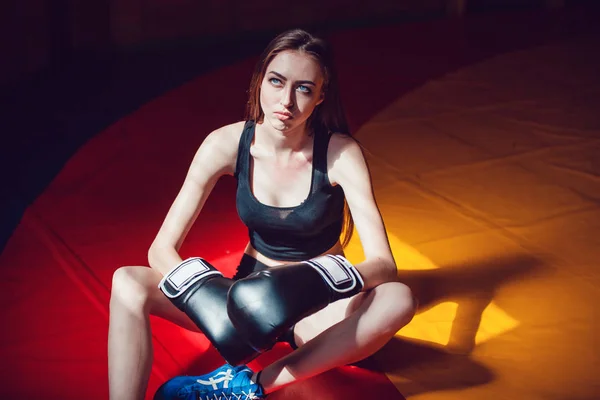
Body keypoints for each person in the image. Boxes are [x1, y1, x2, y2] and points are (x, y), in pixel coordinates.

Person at [108, 29, 416, 400]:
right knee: (127, 282)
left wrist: (313, 282)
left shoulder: (340, 153)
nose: (286, 101)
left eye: (303, 88)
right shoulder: (225, 143)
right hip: (244, 298)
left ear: (321, 95)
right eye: (276, 81)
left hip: (317, 305)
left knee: (397, 299)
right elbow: (161, 248)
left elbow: (383, 263)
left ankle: (247, 386)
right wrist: (205, 296)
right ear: (259, 83)